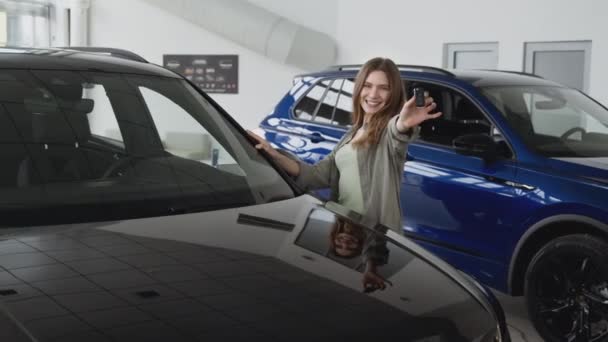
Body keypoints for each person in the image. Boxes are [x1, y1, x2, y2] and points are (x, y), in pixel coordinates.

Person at [248, 57, 442, 234]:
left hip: (373, 236)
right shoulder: (352, 134)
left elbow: (397, 132)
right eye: (367, 85)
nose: (374, 94)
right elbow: (318, 175)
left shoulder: (387, 133)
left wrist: (404, 123)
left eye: (384, 88)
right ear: (358, 88)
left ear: (394, 93)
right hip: (345, 230)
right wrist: (275, 154)